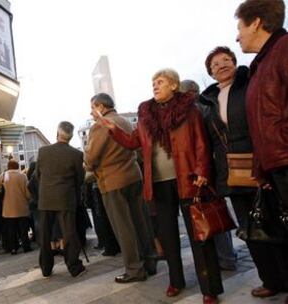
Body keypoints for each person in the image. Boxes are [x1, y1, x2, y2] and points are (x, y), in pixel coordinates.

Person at [97, 70, 223, 304]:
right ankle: (176, 281)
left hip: (188, 180)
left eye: (160, 82)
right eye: (153, 83)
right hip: (158, 184)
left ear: (174, 85)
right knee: (168, 236)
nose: (155, 86)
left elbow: (201, 143)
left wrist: (203, 171)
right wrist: (112, 129)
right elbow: (134, 141)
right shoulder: (146, 115)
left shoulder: (190, 110)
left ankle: (209, 288)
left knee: (199, 236)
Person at [235, 0, 288, 300]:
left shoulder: (284, 50)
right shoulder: (263, 62)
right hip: (276, 165)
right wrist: (263, 166)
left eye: (239, 28)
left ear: (255, 22)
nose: (237, 36)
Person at [84, 93, 157, 284]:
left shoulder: (100, 125)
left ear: (100, 107)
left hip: (112, 181)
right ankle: (150, 262)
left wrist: (87, 162)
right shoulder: (125, 121)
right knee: (141, 221)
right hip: (133, 176)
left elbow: (91, 158)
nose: (91, 113)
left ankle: (134, 269)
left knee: (123, 227)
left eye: (92, 108)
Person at [182, 75, 237, 271]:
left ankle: (225, 258)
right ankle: (227, 256)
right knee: (217, 211)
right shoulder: (206, 107)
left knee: (210, 214)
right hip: (214, 168)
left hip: (204, 171)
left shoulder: (195, 112)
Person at [36, 121, 86, 277]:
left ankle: (46, 268)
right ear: (70, 137)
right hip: (66, 198)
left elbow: (38, 175)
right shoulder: (76, 154)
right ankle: (73, 266)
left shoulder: (43, 151)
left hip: (46, 198)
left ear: (57, 133)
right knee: (69, 233)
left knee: (44, 234)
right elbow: (79, 180)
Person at [0, 160, 32, 254]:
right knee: (23, 229)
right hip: (22, 206)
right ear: (17, 166)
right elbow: (27, 192)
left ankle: (14, 248)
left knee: (11, 230)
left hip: (8, 208)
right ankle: (26, 247)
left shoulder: (3, 175)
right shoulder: (22, 176)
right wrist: (28, 198)